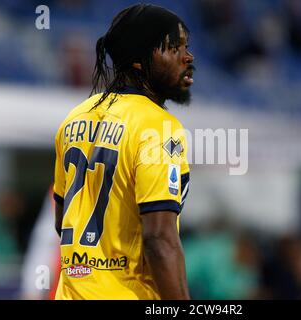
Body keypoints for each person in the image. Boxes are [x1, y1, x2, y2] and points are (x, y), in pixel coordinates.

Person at [52, 4, 194, 300]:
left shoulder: (74, 118)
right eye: (173, 48)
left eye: (186, 47)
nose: (187, 57)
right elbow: (159, 239)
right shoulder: (158, 127)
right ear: (140, 61)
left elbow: (62, 219)